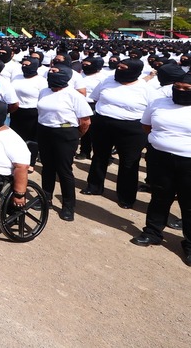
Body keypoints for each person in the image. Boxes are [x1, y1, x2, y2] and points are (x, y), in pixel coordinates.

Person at [132, 73, 191, 266]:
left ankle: (189, 244)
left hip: (188, 162)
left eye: (186, 89)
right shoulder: (159, 103)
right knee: (159, 196)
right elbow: (147, 126)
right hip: (160, 157)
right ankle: (152, 232)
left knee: (188, 202)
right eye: (177, 87)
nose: (180, 91)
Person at [83, 59, 150, 208]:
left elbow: (152, 110)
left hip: (132, 129)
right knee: (100, 156)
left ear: (134, 71)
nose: (118, 70)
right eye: (118, 67)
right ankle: (94, 186)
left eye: (123, 68)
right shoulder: (108, 80)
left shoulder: (146, 88)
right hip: (103, 124)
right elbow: (95, 97)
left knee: (129, 162)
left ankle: (126, 197)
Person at [36, 65, 93, 221]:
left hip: (66, 133)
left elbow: (85, 121)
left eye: (56, 72)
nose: (51, 74)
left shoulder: (74, 95)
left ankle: (68, 206)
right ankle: (45, 198)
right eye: (50, 72)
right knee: (47, 167)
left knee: (64, 170)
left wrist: (75, 135)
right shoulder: (44, 91)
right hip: (45, 131)